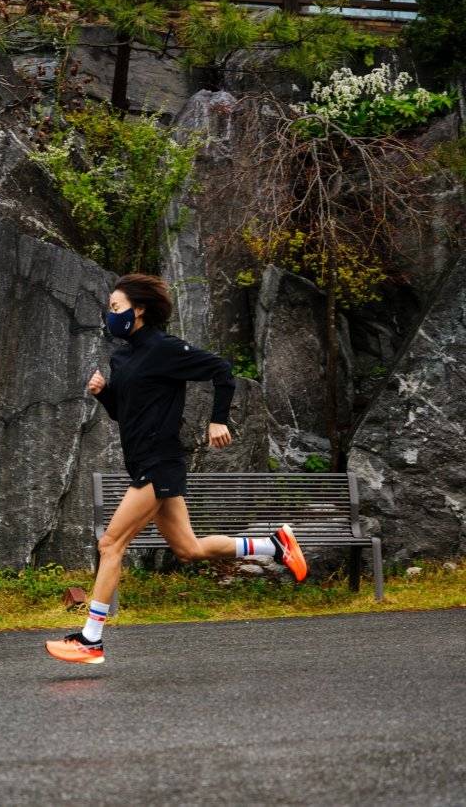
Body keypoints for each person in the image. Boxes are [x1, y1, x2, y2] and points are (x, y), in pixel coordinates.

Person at [44, 273, 307, 664]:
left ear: (139, 309)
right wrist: (104, 394)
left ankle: (91, 639)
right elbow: (124, 414)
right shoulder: (122, 358)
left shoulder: (164, 348)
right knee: (188, 549)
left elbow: (221, 369)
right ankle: (275, 544)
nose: (111, 314)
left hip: (160, 462)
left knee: (111, 544)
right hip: (142, 461)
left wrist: (218, 420)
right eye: (110, 308)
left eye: (116, 307)